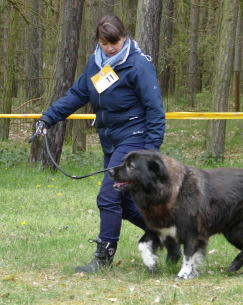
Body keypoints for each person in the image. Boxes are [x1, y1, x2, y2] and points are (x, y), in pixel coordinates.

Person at [36, 15, 169, 273]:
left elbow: (155, 109)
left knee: (108, 196)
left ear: (124, 36)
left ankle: (103, 258)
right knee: (126, 202)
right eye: (105, 42)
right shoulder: (96, 63)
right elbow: (78, 94)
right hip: (111, 139)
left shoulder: (138, 64)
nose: (110, 48)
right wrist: (48, 118)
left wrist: (151, 152)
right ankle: (170, 234)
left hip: (135, 138)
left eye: (115, 42)